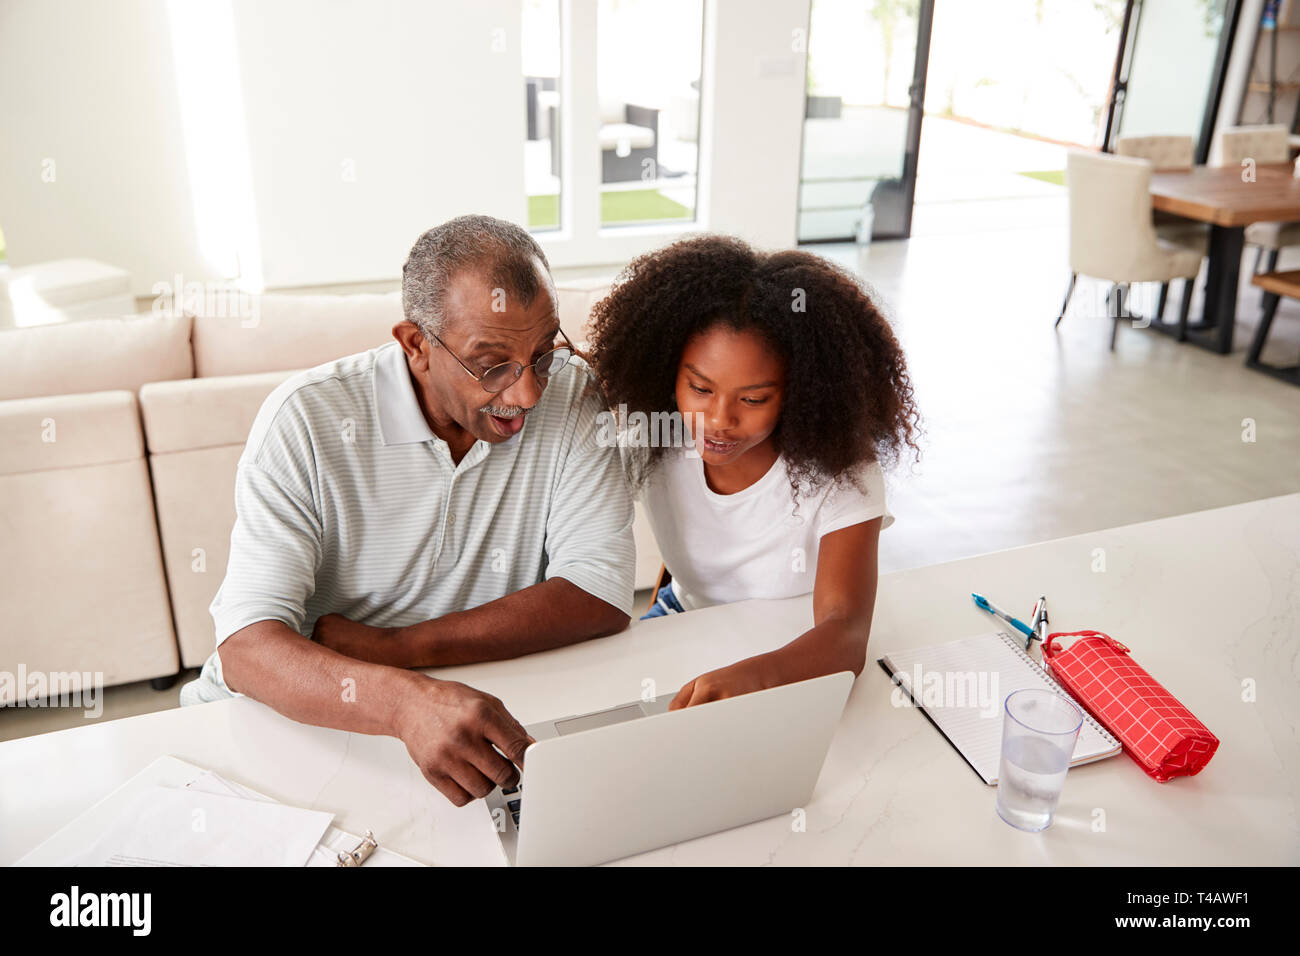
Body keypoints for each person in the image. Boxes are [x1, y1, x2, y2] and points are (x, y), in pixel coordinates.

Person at [180, 215, 636, 807]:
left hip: (464, 706)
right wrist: (402, 700)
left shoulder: (573, 394)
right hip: (278, 723)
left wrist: (402, 651)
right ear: (417, 346)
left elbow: (598, 593)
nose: (527, 393)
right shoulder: (305, 420)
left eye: (543, 354)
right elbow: (246, 649)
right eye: (491, 362)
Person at [587, 233, 920, 709]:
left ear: (802, 391)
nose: (719, 420)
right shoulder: (650, 436)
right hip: (684, 620)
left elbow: (845, 635)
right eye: (700, 388)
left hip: (798, 647)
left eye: (753, 399)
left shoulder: (842, 470)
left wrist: (754, 679)